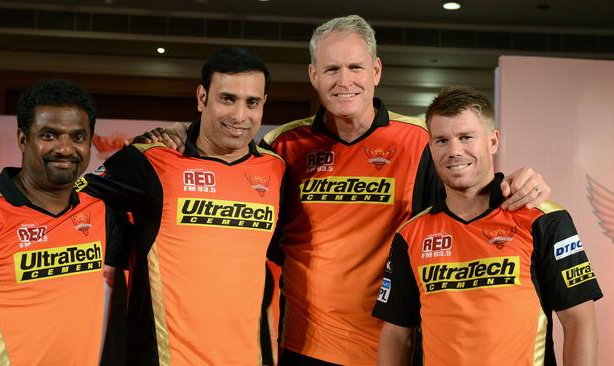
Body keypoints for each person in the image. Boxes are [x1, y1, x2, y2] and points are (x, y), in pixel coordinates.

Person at [142, 15, 551, 366]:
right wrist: (183, 132)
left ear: (375, 71)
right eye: (332, 69)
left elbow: (468, 202)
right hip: (303, 348)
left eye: (355, 68)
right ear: (313, 75)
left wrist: (514, 183)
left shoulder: (420, 140)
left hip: (394, 347)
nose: (344, 81)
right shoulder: (282, 147)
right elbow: (223, 161)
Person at [75, 47, 286, 365]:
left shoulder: (277, 170)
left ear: (263, 104)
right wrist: (124, 249)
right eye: (227, 98)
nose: (240, 116)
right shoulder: (152, 160)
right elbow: (73, 202)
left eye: (251, 102)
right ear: (202, 97)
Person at [373, 86, 602, 366]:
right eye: (441, 140)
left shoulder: (544, 219)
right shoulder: (409, 235)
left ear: (493, 141)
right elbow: (397, 333)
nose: (454, 151)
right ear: (430, 147)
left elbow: (579, 319)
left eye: (466, 137)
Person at [0, 79, 126, 365]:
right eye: (50, 135)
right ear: (23, 139)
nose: (65, 149)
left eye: (78, 137)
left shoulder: (100, 212)